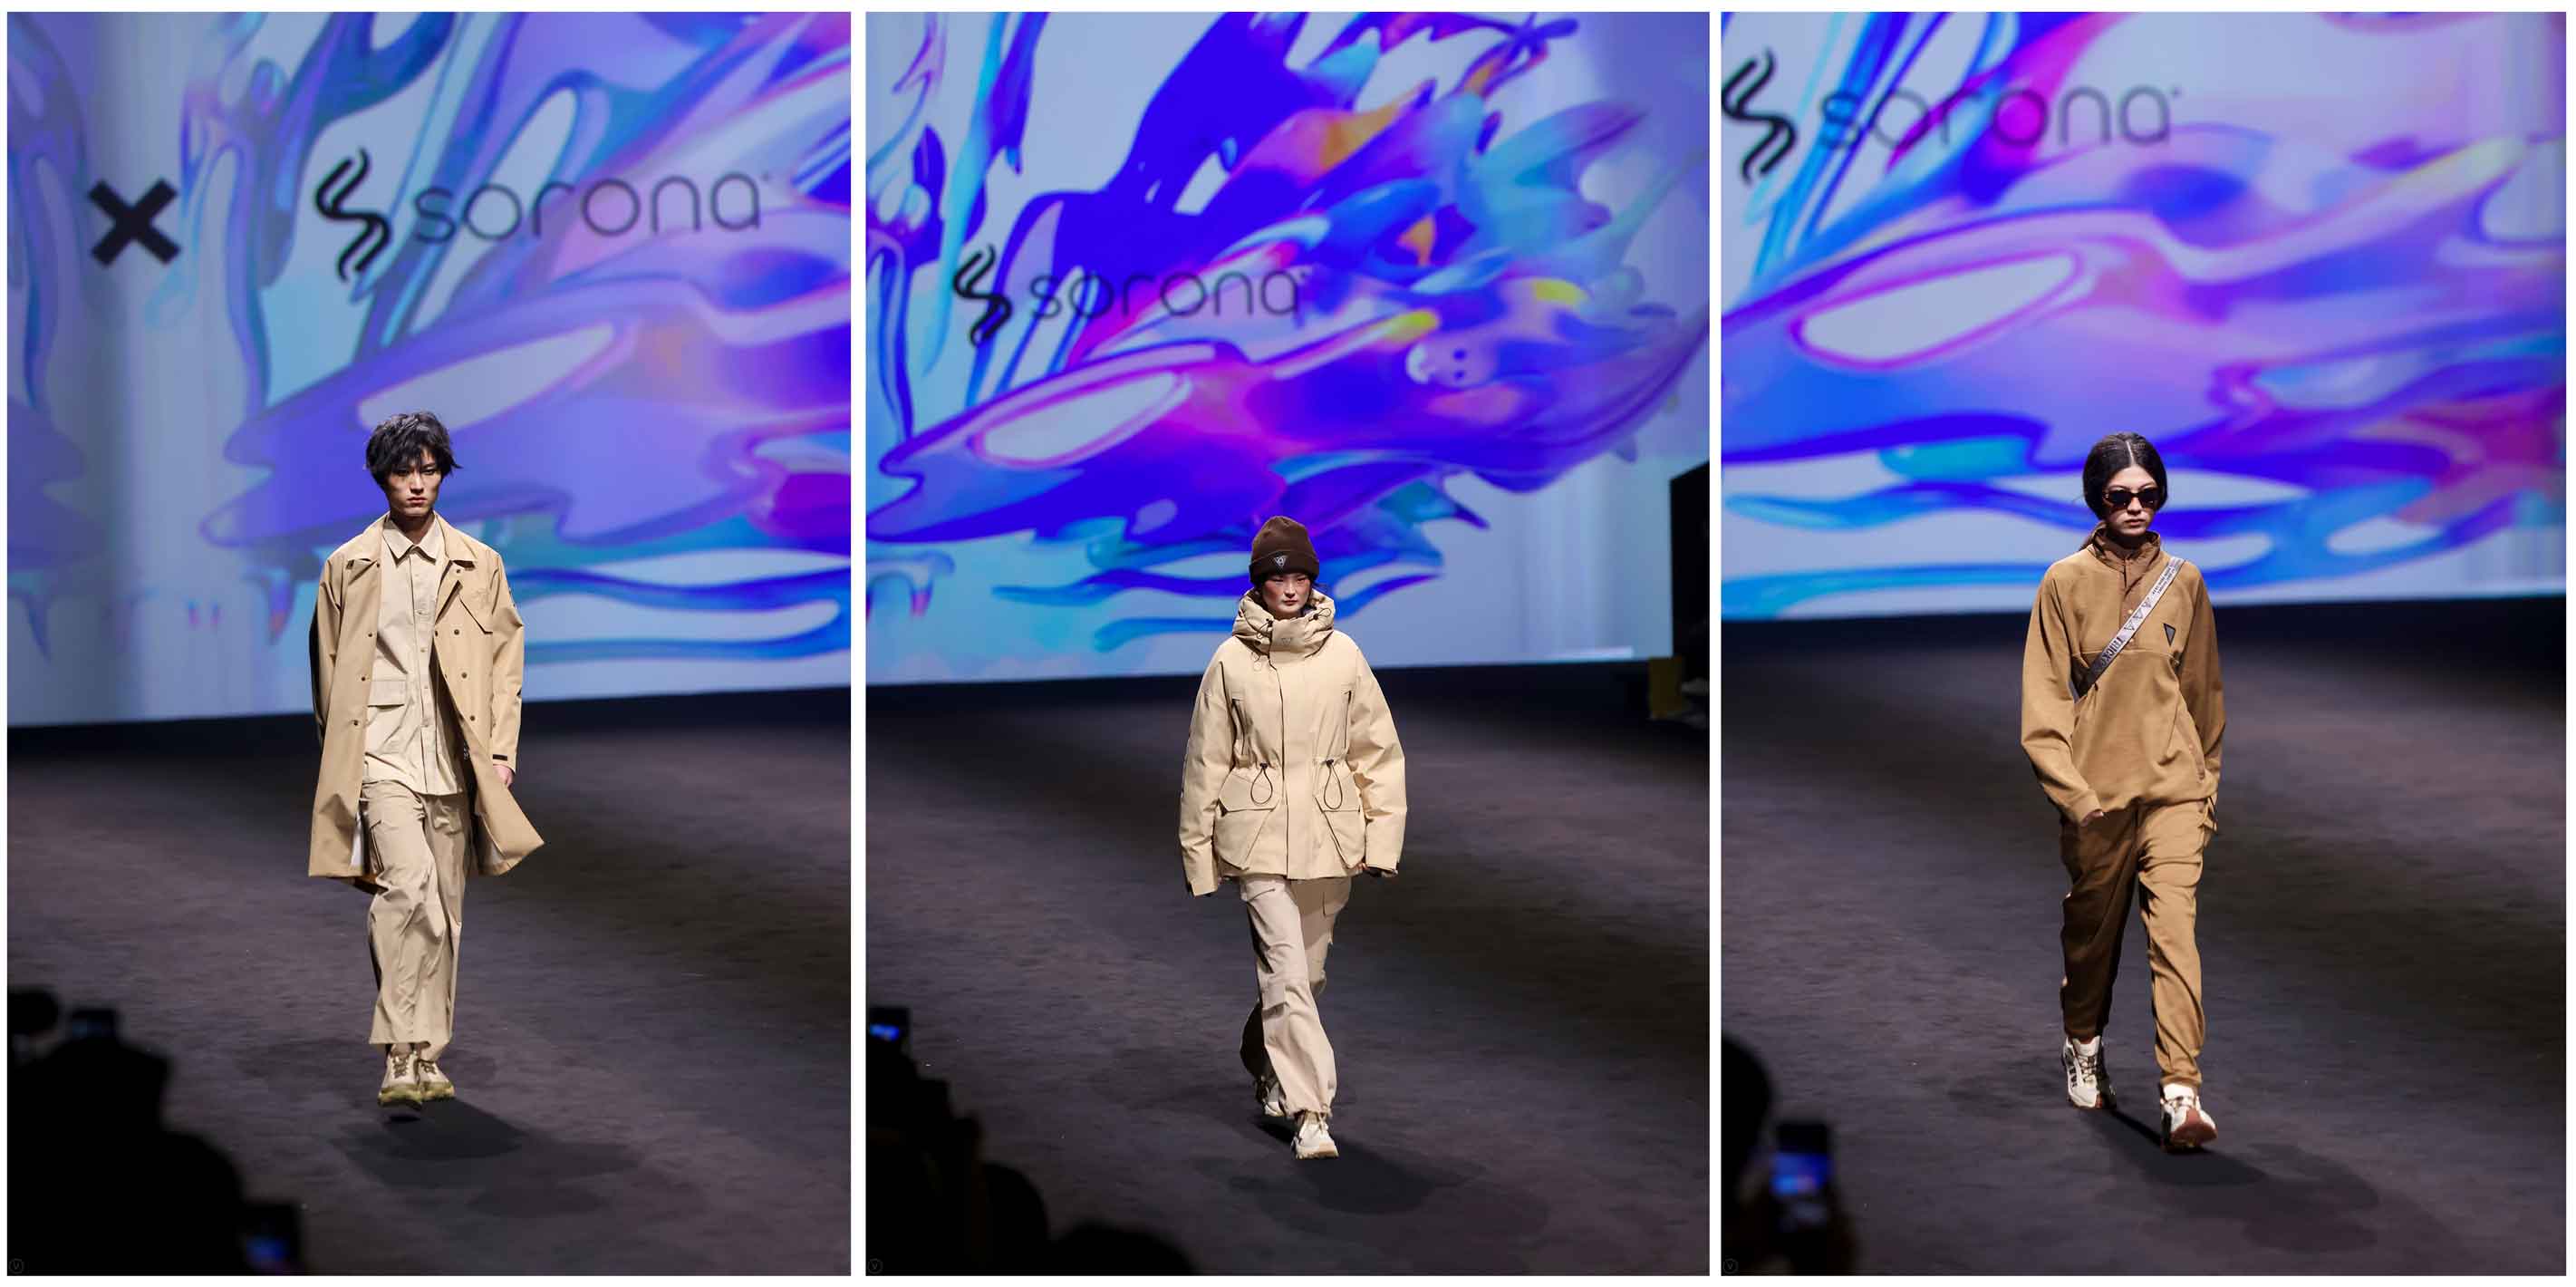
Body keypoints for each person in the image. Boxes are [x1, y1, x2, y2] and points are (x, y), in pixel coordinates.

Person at [306, 411, 544, 1109]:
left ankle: (423, 1056)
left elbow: (505, 662)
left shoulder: (479, 563)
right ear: (380, 477)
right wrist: (344, 760)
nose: (416, 484)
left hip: (453, 755)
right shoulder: (347, 566)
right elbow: (326, 674)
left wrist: (499, 752)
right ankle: (397, 1050)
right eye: (403, 471)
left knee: (444, 911)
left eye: (429, 470)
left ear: (442, 475)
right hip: (380, 753)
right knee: (406, 889)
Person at [1176, 517, 1407, 1161]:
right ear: (1260, 583)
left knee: (1306, 976)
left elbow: (1377, 751)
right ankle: (1311, 1112)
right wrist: (1198, 853)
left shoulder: (1344, 654)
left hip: (1330, 833)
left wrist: (1382, 841)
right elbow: (1205, 761)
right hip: (1255, 836)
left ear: (1312, 581)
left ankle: (1266, 1061)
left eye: (1300, 575)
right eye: (1278, 577)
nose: (1289, 586)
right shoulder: (1229, 661)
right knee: (1284, 970)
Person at [2020, 432, 2224, 1153]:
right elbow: (2042, 705)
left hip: (2172, 791)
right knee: (2091, 940)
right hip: (2098, 799)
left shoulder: (2185, 581)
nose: (2135, 507)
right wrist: (2074, 797)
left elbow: (2203, 695)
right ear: (2095, 499)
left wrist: (2204, 788)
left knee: (2175, 936)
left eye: (2148, 494)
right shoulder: (2063, 582)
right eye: (2119, 496)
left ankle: (2180, 1091)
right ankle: (2082, 1041)